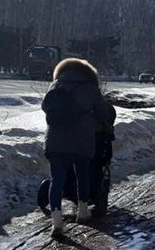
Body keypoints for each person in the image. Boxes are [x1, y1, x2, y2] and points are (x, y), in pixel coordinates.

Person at [42, 58, 109, 237]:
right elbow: (103, 112)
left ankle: (57, 221)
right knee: (82, 176)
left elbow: (45, 106)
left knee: (56, 180)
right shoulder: (90, 88)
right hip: (81, 140)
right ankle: (82, 211)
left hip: (55, 140)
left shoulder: (56, 85)